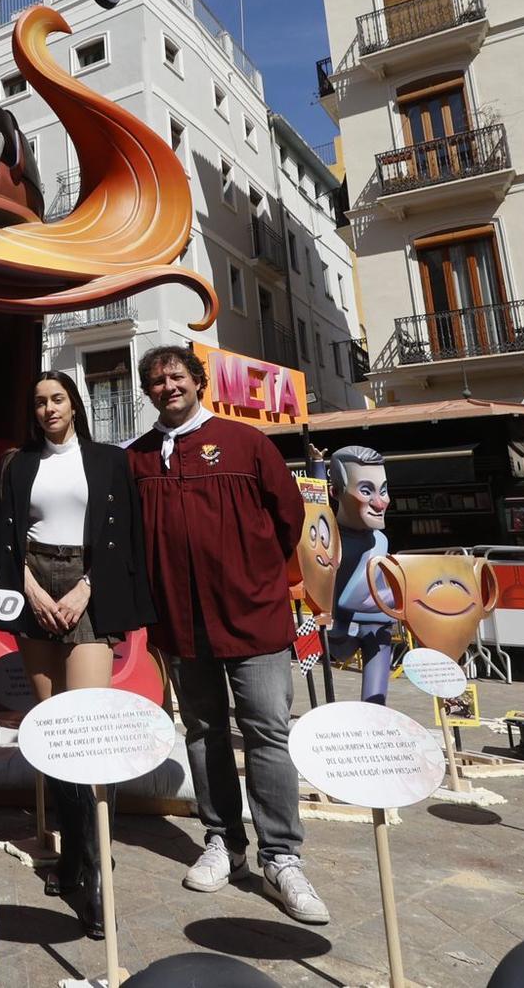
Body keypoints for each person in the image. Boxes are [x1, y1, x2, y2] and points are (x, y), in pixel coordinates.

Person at [126, 345, 328, 926]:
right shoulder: (137, 459)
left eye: (176, 376)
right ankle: (224, 842)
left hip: (252, 616)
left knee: (266, 730)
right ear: (148, 392)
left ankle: (282, 857)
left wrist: (250, 572)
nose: (167, 387)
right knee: (205, 730)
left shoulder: (247, 444)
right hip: (182, 623)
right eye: (156, 381)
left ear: (199, 381)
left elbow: (289, 517)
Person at [0, 371, 155, 939]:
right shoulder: (18, 464)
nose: (47, 409)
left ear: (74, 404)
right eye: (38, 402)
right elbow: (5, 535)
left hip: (89, 583)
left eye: (56, 398)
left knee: (85, 731)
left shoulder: (110, 460)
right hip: (36, 580)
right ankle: (78, 855)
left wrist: (87, 588)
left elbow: (122, 534)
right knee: (52, 737)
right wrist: (30, 588)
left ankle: (90, 869)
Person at [327, 445, 396, 707]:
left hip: (371, 627)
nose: (380, 502)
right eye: (366, 491)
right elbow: (345, 599)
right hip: (333, 629)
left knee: (380, 633)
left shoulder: (380, 540)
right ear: (336, 492)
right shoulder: (328, 539)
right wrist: (394, 598)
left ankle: (375, 713)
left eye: (384, 490)